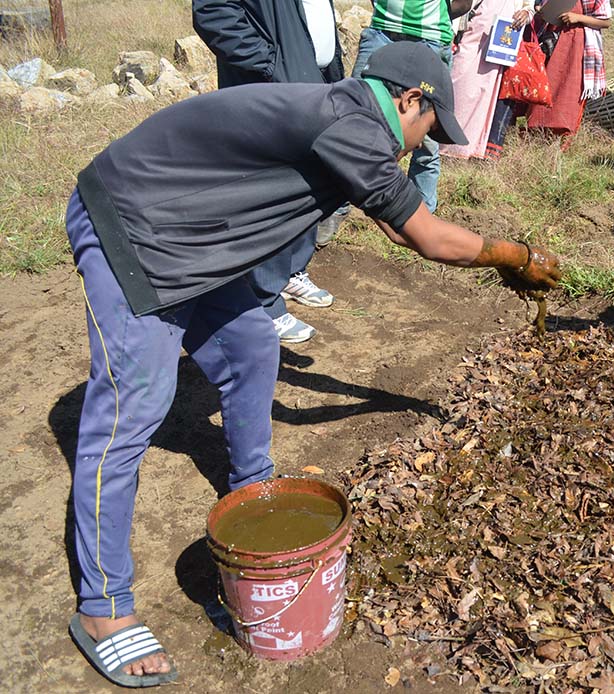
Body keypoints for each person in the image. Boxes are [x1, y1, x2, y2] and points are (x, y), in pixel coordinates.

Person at [65, 42, 561, 687]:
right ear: (411, 99)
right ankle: (102, 608)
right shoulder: (353, 124)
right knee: (131, 414)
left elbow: (399, 221)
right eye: (429, 128)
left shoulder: (352, 126)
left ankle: (252, 485)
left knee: (250, 344)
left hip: (195, 241)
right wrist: (515, 256)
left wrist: (493, 254)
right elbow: (429, 238)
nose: (422, 145)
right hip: (132, 229)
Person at [193, 0, 343, 343]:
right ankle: (262, 302)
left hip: (310, 81)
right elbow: (213, 12)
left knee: (304, 182)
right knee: (269, 189)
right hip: (267, 87)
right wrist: (270, 61)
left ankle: (290, 271)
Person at [351, 0, 472, 213]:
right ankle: (337, 206)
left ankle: (420, 215)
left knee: (426, 136)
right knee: (354, 118)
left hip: (431, 40)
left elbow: (463, 4)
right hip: (382, 30)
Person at [443, 0, 534, 160]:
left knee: (485, 92)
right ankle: (444, 142)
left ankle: (469, 148)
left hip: (502, 39)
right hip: (475, 33)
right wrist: (453, 29)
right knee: (459, 82)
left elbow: (529, 8)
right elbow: (463, 4)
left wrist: (525, 14)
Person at [526, 0, 612, 141]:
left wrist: (578, 18)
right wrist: (540, 10)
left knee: (569, 89)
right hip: (550, 41)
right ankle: (537, 129)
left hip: (577, 43)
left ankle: (563, 133)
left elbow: (606, 21)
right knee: (545, 85)